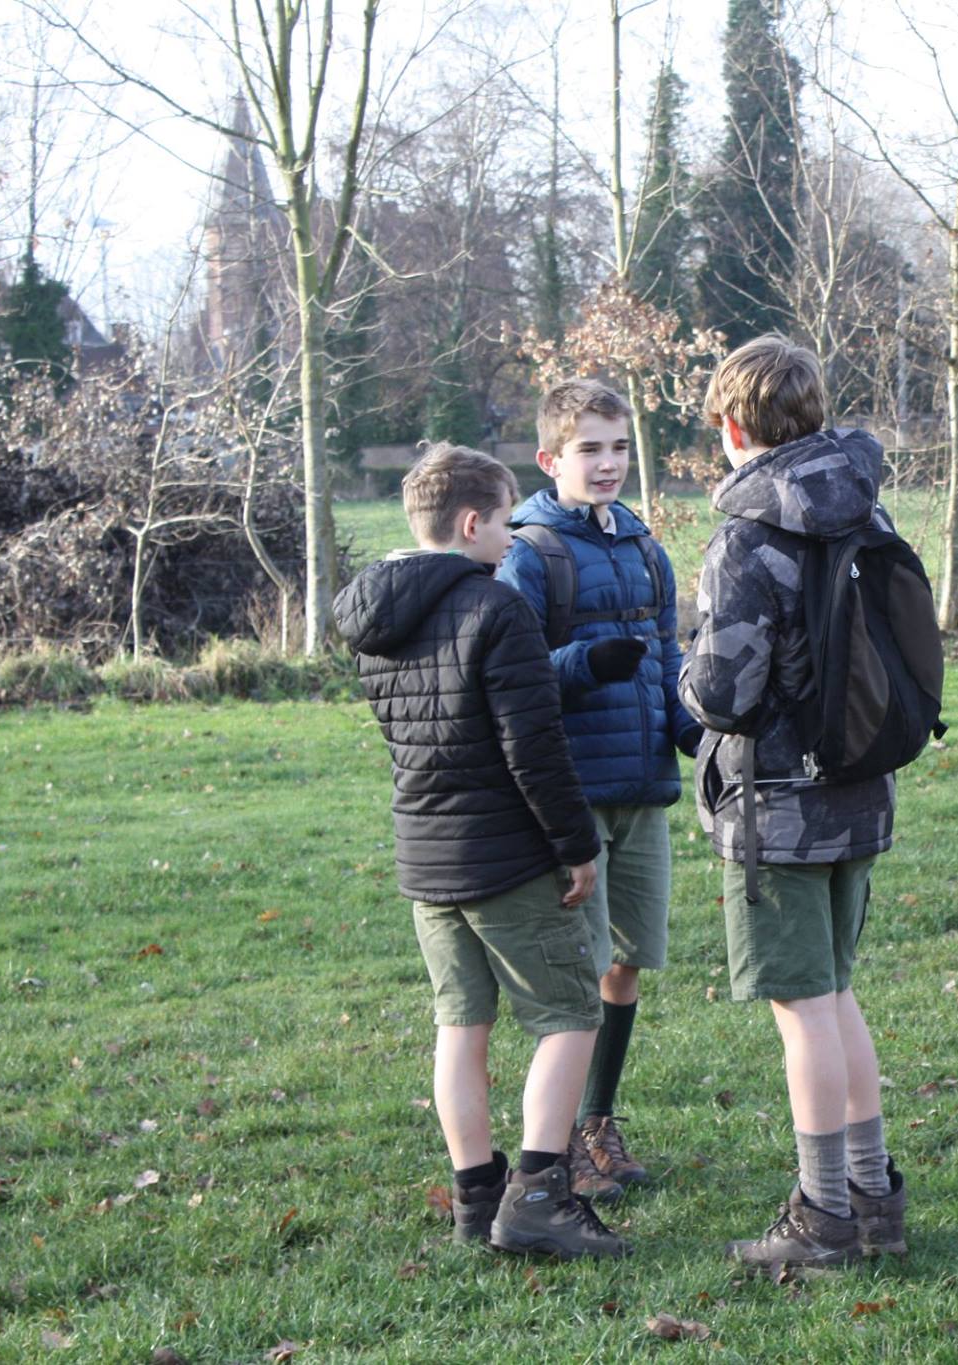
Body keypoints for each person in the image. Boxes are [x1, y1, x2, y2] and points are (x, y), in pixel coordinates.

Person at [333, 441, 625, 1258]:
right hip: (504, 854)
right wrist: (575, 844)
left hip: (425, 858)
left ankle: (476, 1198)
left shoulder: (373, 619)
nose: (511, 536)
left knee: (460, 1027)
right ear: (471, 521)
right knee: (570, 1016)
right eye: (503, 520)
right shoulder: (498, 611)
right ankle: (538, 1196)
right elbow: (532, 747)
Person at [681, 335, 907, 1267]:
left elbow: (724, 693)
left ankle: (822, 1217)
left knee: (802, 1007)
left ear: (733, 426)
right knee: (838, 995)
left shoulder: (747, 537)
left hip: (775, 807)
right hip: (860, 785)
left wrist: (684, 679)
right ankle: (872, 1197)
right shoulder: (868, 509)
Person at [496, 379, 701, 1202]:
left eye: (619, 446)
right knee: (577, 979)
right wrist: (584, 664)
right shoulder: (530, 554)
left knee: (627, 966)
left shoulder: (648, 548)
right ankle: (556, 1149)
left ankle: (597, 1122)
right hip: (572, 795)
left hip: (643, 788)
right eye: (590, 448)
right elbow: (505, 678)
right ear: (551, 459)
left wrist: (700, 735)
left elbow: (668, 665)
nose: (608, 462)